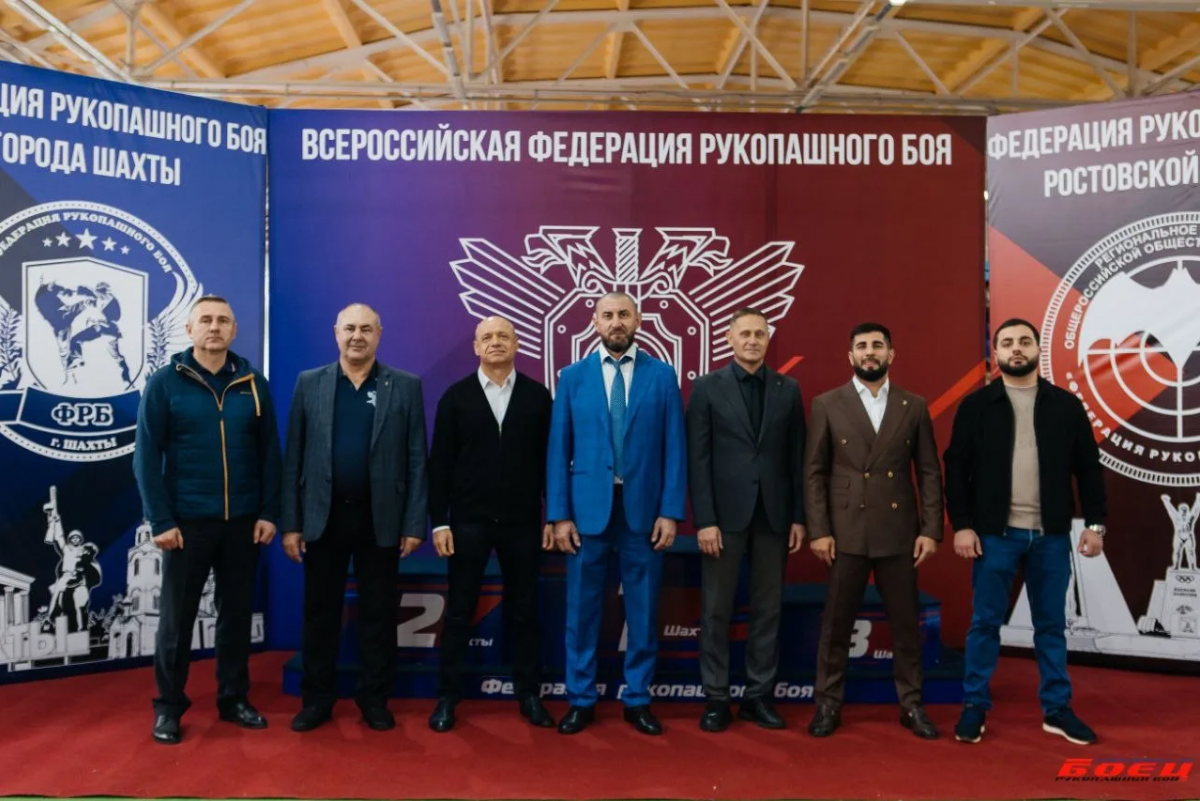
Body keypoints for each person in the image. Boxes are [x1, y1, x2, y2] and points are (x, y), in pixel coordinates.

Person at [944, 318, 1107, 746]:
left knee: (1051, 626)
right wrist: (962, 526)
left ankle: (1057, 709)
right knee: (985, 623)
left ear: (1037, 348)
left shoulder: (1065, 406)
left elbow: (1089, 470)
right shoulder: (976, 406)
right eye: (1007, 342)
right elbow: (956, 469)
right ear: (995, 353)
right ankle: (974, 705)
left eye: (1023, 341)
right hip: (993, 536)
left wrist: (1095, 525)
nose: (1016, 348)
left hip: (1050, 537)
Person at [133, 294, 281, 745]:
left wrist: (268, 511)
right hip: (187, 524)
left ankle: (233, 699)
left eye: (222, 321)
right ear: (189, 329)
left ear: (234, 330)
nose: (214, 327)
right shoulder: (165, 384)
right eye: (206, 320)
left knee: (235, 616)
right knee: (177, 621)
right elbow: (146, 457)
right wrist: (160, 520)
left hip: (242, 522)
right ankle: (169, 707)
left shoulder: (253, 383)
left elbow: (269, 454)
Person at [280, 303, 428, 733]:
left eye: (366, 329)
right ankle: (316, 700)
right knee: (320, 615)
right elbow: (294, 458)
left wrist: (413, 523)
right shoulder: (310, 383)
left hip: (380, 520)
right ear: (336, 333)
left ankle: (374, 700)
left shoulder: (405, 386)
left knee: (378, 615)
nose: (357, 336)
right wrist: (292, 523)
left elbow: (417, 458)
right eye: (349, 329)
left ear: (379, 334)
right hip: (322, 518)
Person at [546, 291, 686, 736]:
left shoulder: (662, 376)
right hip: (586, 513)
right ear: (595, 322)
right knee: (581, 610)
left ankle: (638, 699)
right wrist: (559, 515)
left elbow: (675, 448)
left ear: (638, 320)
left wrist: (670, 511)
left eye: (624, 314)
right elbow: (558, 450)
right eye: (607, 315)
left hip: (643, 511)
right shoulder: (573, 377)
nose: (616, 322)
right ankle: (581, 699)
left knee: (643, 610)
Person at [804, 323, 943, 739]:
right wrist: (819, 530)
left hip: (898, 532)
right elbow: (814, 472)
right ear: (850, 356)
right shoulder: (827, 403)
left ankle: (912, 705)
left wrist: (931, 529)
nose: (870, 352)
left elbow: (929, 471)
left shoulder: (913, 405)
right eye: (862, 346)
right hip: (844, 531)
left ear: (890, 354)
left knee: (905, 625)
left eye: (877, 346)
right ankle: (828, 705)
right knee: (836, 626)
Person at [427, 316, 556, 732]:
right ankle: (447, 697)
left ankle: (529, 695)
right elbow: (439, 465)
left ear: (517, 345)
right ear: (476, 347)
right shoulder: (456, 397)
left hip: (523, 523)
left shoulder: (538, 397)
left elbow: (550, 463)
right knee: (459, 612)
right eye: (487, 337)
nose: (495, 342)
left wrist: (553, 515)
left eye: (503, 336)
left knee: (525, 612)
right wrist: (439, 523)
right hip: (468, 523)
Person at [686, 307, 806, 733]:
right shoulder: (706, 388)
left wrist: (798, 517)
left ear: (768, 340)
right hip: (723, 519)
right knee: (716, 611)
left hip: (774, 516)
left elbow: (796, 458)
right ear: (730, 339)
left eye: (759, 334)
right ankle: (716, 698)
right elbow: (697, 459)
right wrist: (705, 519)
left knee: (767, 610)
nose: (752, 340)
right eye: (745, 334)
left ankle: (758, 697)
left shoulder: (788, 389)